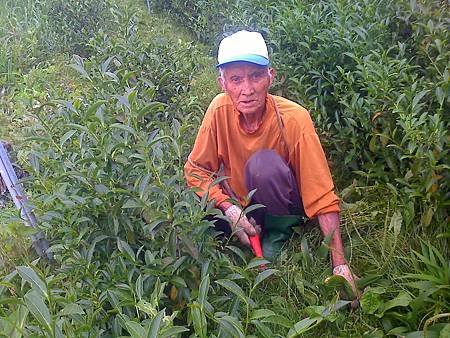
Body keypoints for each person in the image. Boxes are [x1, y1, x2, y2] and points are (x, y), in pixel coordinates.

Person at [184, 30, 358, 294]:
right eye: (236, 79)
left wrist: (340, 265)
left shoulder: (295, 118)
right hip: (241, 201)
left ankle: (277, 233)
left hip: (282, 201)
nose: (247, 89)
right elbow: (196, 170)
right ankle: (243, 230)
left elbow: (321, 192)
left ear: (270, 77)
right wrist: (229, 208)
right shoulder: (219, 110)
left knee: (263, 165)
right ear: (223, 83)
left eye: (255, 76)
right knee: (192, 210)